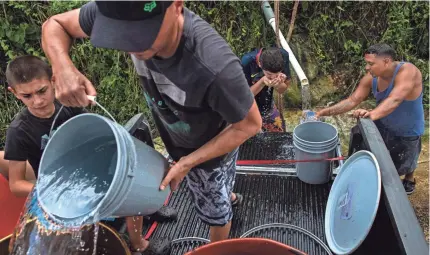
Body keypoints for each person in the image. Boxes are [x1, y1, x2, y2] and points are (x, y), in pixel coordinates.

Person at [41, 1, 261, 254]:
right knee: (222, 185)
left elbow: (249, 125)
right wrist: (62, 67)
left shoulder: (214, 67)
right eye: (121, 33)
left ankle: (218, 244)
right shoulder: (120, 6)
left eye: (142, 32)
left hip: (208, 149)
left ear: (177, 5)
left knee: (215, 208)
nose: (131, 45)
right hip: (179, 138)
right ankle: (228, 194)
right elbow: (54, 25)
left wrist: (187, 163)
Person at [315, 43, 425, 194]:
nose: (367, 67)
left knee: (407, 160)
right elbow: (353, 100)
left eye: (370, 63)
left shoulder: (408, 71)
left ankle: (409, 179)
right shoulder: (371, 78)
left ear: (386, 61)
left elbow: (395, 99)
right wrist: (323, 112)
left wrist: (371, 114)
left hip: (407, 128)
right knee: (382, 160)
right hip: (383, 122)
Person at [3, 55, 88, 197]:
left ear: (53, 81)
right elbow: (16, 184)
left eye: (42, 91)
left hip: (86, 168)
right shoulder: (19, 131)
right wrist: (50, 191)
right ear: (15, 93)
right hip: (55, 185)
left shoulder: (69, 104)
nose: (37, 101)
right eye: (27, 96)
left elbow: (95, 131)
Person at [241, 47, 291, 132]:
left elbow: (282, 90)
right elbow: (244, 97)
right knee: (253, 140)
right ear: (260, 64)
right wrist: (262, 81)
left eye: (277, 75)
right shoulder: (246, 62)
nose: (273, 78)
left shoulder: (283, 56)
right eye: (269, 74)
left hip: (269, 107)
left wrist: (278, 84)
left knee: (281, 135)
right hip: (249, 110)